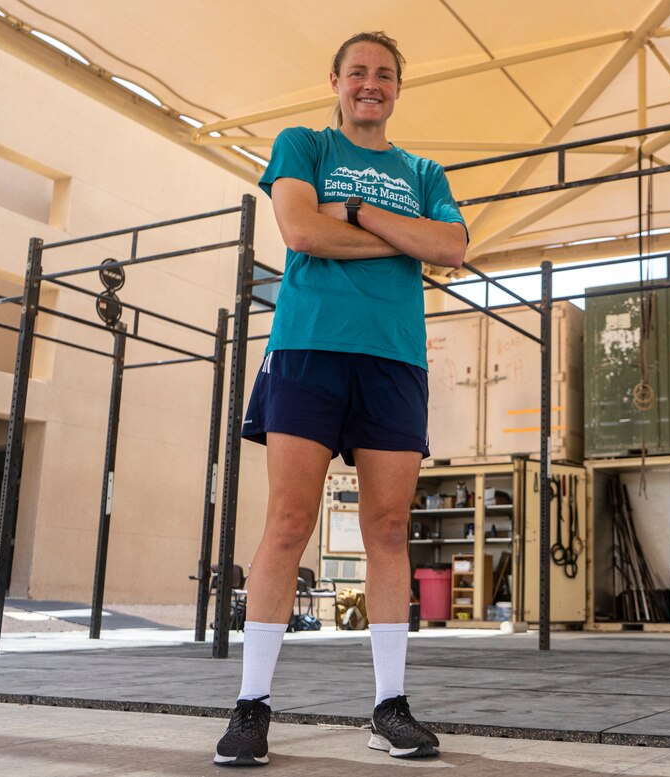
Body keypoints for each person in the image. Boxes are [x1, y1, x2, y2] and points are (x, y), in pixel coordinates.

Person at [213, 31, 467, 766]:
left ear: (397, 89)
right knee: (288, 522)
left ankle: (390, 706)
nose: (371, 83)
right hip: (309, 348)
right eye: (358, 71)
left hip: (393, 359)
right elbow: (299, 229)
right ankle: (251, 705)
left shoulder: (423, 169)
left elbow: (451, 245)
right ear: (336, 79)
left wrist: (355, 215)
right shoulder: (305, 144)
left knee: (388, 530)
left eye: (385, 74)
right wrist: (404, 238)